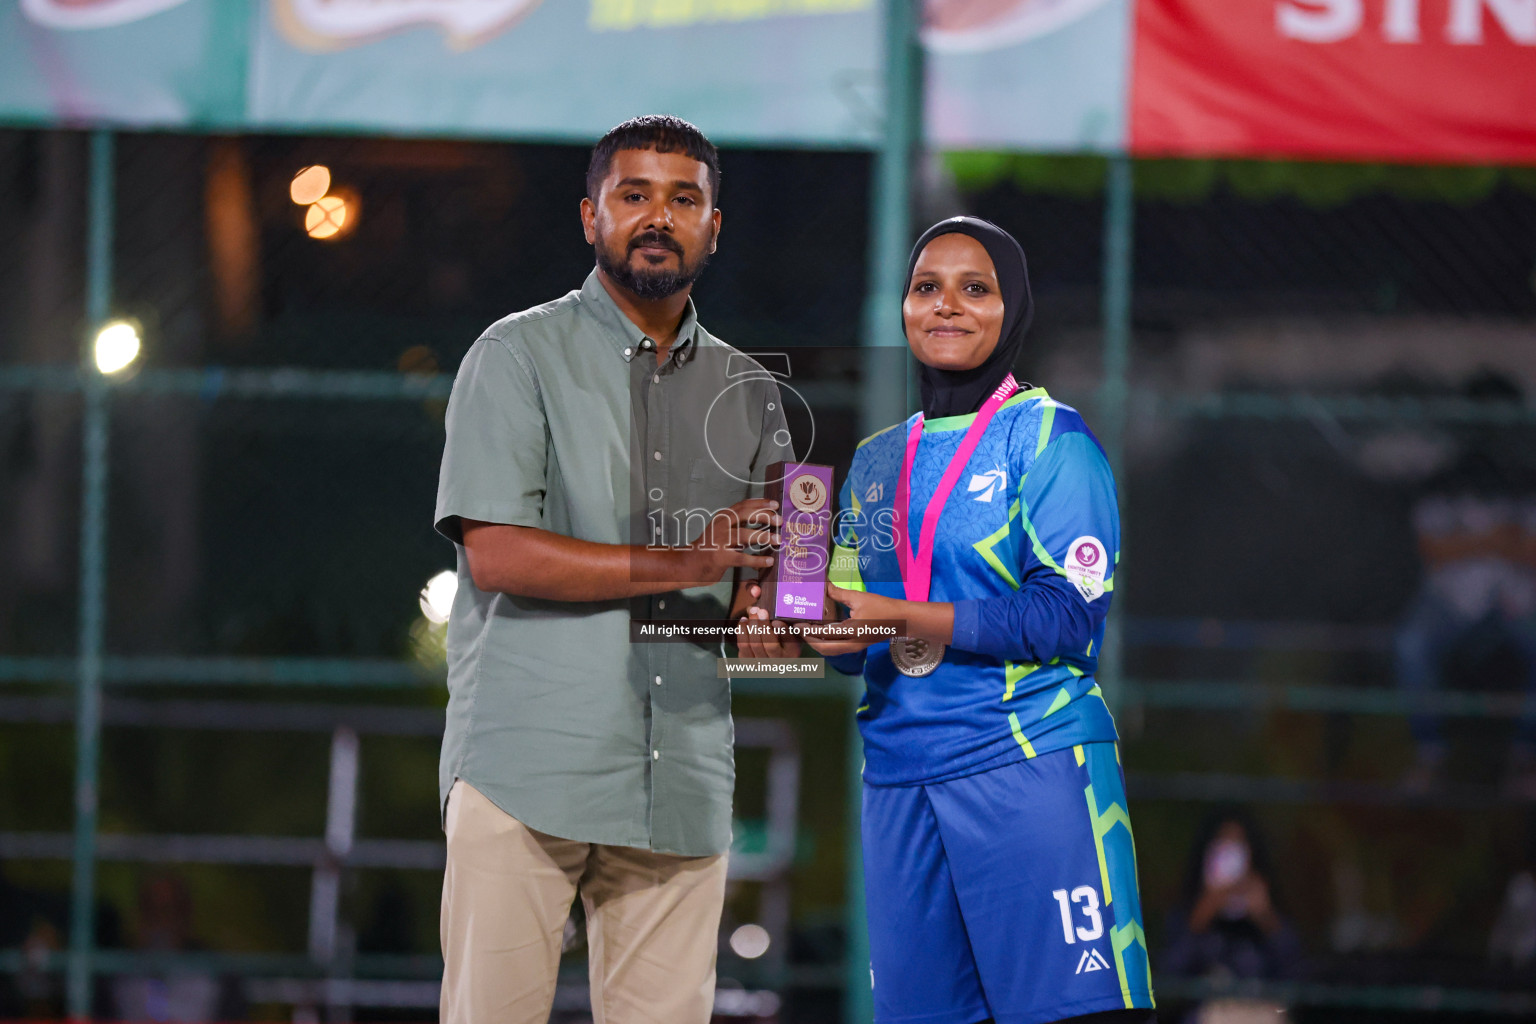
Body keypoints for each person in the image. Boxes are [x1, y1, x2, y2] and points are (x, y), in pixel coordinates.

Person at [433, 115, 795, 1024]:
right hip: (528, 770)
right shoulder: (516, 355)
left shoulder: (751, 393)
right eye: (635, 196)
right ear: (591, 215)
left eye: (685, 199)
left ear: (716, 226)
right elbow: (499, 552)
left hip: (681, 784)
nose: (658, 217)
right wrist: (695, 557)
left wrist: (810, 610)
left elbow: (762, 625)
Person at [803, 217, 1154, 1024]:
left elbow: (1067, 617)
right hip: (898, 780)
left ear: (1014, 309)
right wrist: (823, 629)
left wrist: (894, 613)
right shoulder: (875, 461)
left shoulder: (1051, 439)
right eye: (927, 287)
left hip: (1027, 766)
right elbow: (860, 649)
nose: (946, 306)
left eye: (975, 288)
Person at [1160, 810, 1300, 1023]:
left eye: (1238, 846)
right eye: (1222, 846)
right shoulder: (1185, 915)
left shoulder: (1271, 919)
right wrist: (1200, 918)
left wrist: (1267, 919)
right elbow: (1168, 982)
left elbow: (1301, 982)